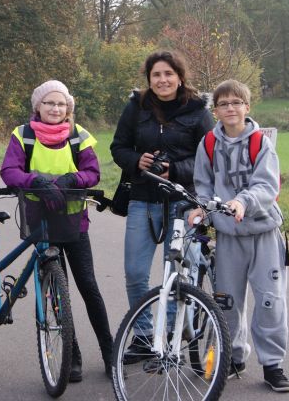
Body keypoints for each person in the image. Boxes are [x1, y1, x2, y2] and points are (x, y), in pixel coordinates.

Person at [0, 80, 113, 381]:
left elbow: (93, 172)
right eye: (49, 103)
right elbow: (9, 171)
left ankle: (109, 353)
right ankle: (72, 357)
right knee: (56, 291)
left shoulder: (79, 136)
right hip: (40, 222)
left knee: (88, 286)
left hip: (75, 223)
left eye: (61, 104)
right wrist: (34, 181)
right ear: (37, 106)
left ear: (68, 108)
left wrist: (71, 180)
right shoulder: (23, 135)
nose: (55, 108)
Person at [187, 79, 289, 393]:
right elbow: (203, 185)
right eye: (223, 104)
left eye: (236, 102)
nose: (230, 108)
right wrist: (201, 209)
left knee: (271, 301)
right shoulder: (208, 143)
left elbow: (267, 186)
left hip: (264, 233)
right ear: (216, 111)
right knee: (227, 302)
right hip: (229, 236)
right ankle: (233, 358)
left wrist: (242, 202)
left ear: (247, 107)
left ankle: (272, 365)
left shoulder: (261, 143)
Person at [109, 50, 214, 360]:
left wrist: (176, 169)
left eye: (168, 73)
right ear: (149, 79)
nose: (162, 80)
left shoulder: (198, 111)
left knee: (178, 274)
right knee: (135, 272)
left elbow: (209, 156)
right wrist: (136, 161)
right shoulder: (136, 107)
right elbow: (118, 147)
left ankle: (168, 336)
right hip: (143, 199)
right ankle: (143, 337)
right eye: (156, 74)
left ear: (180, 77)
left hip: (183, 202)